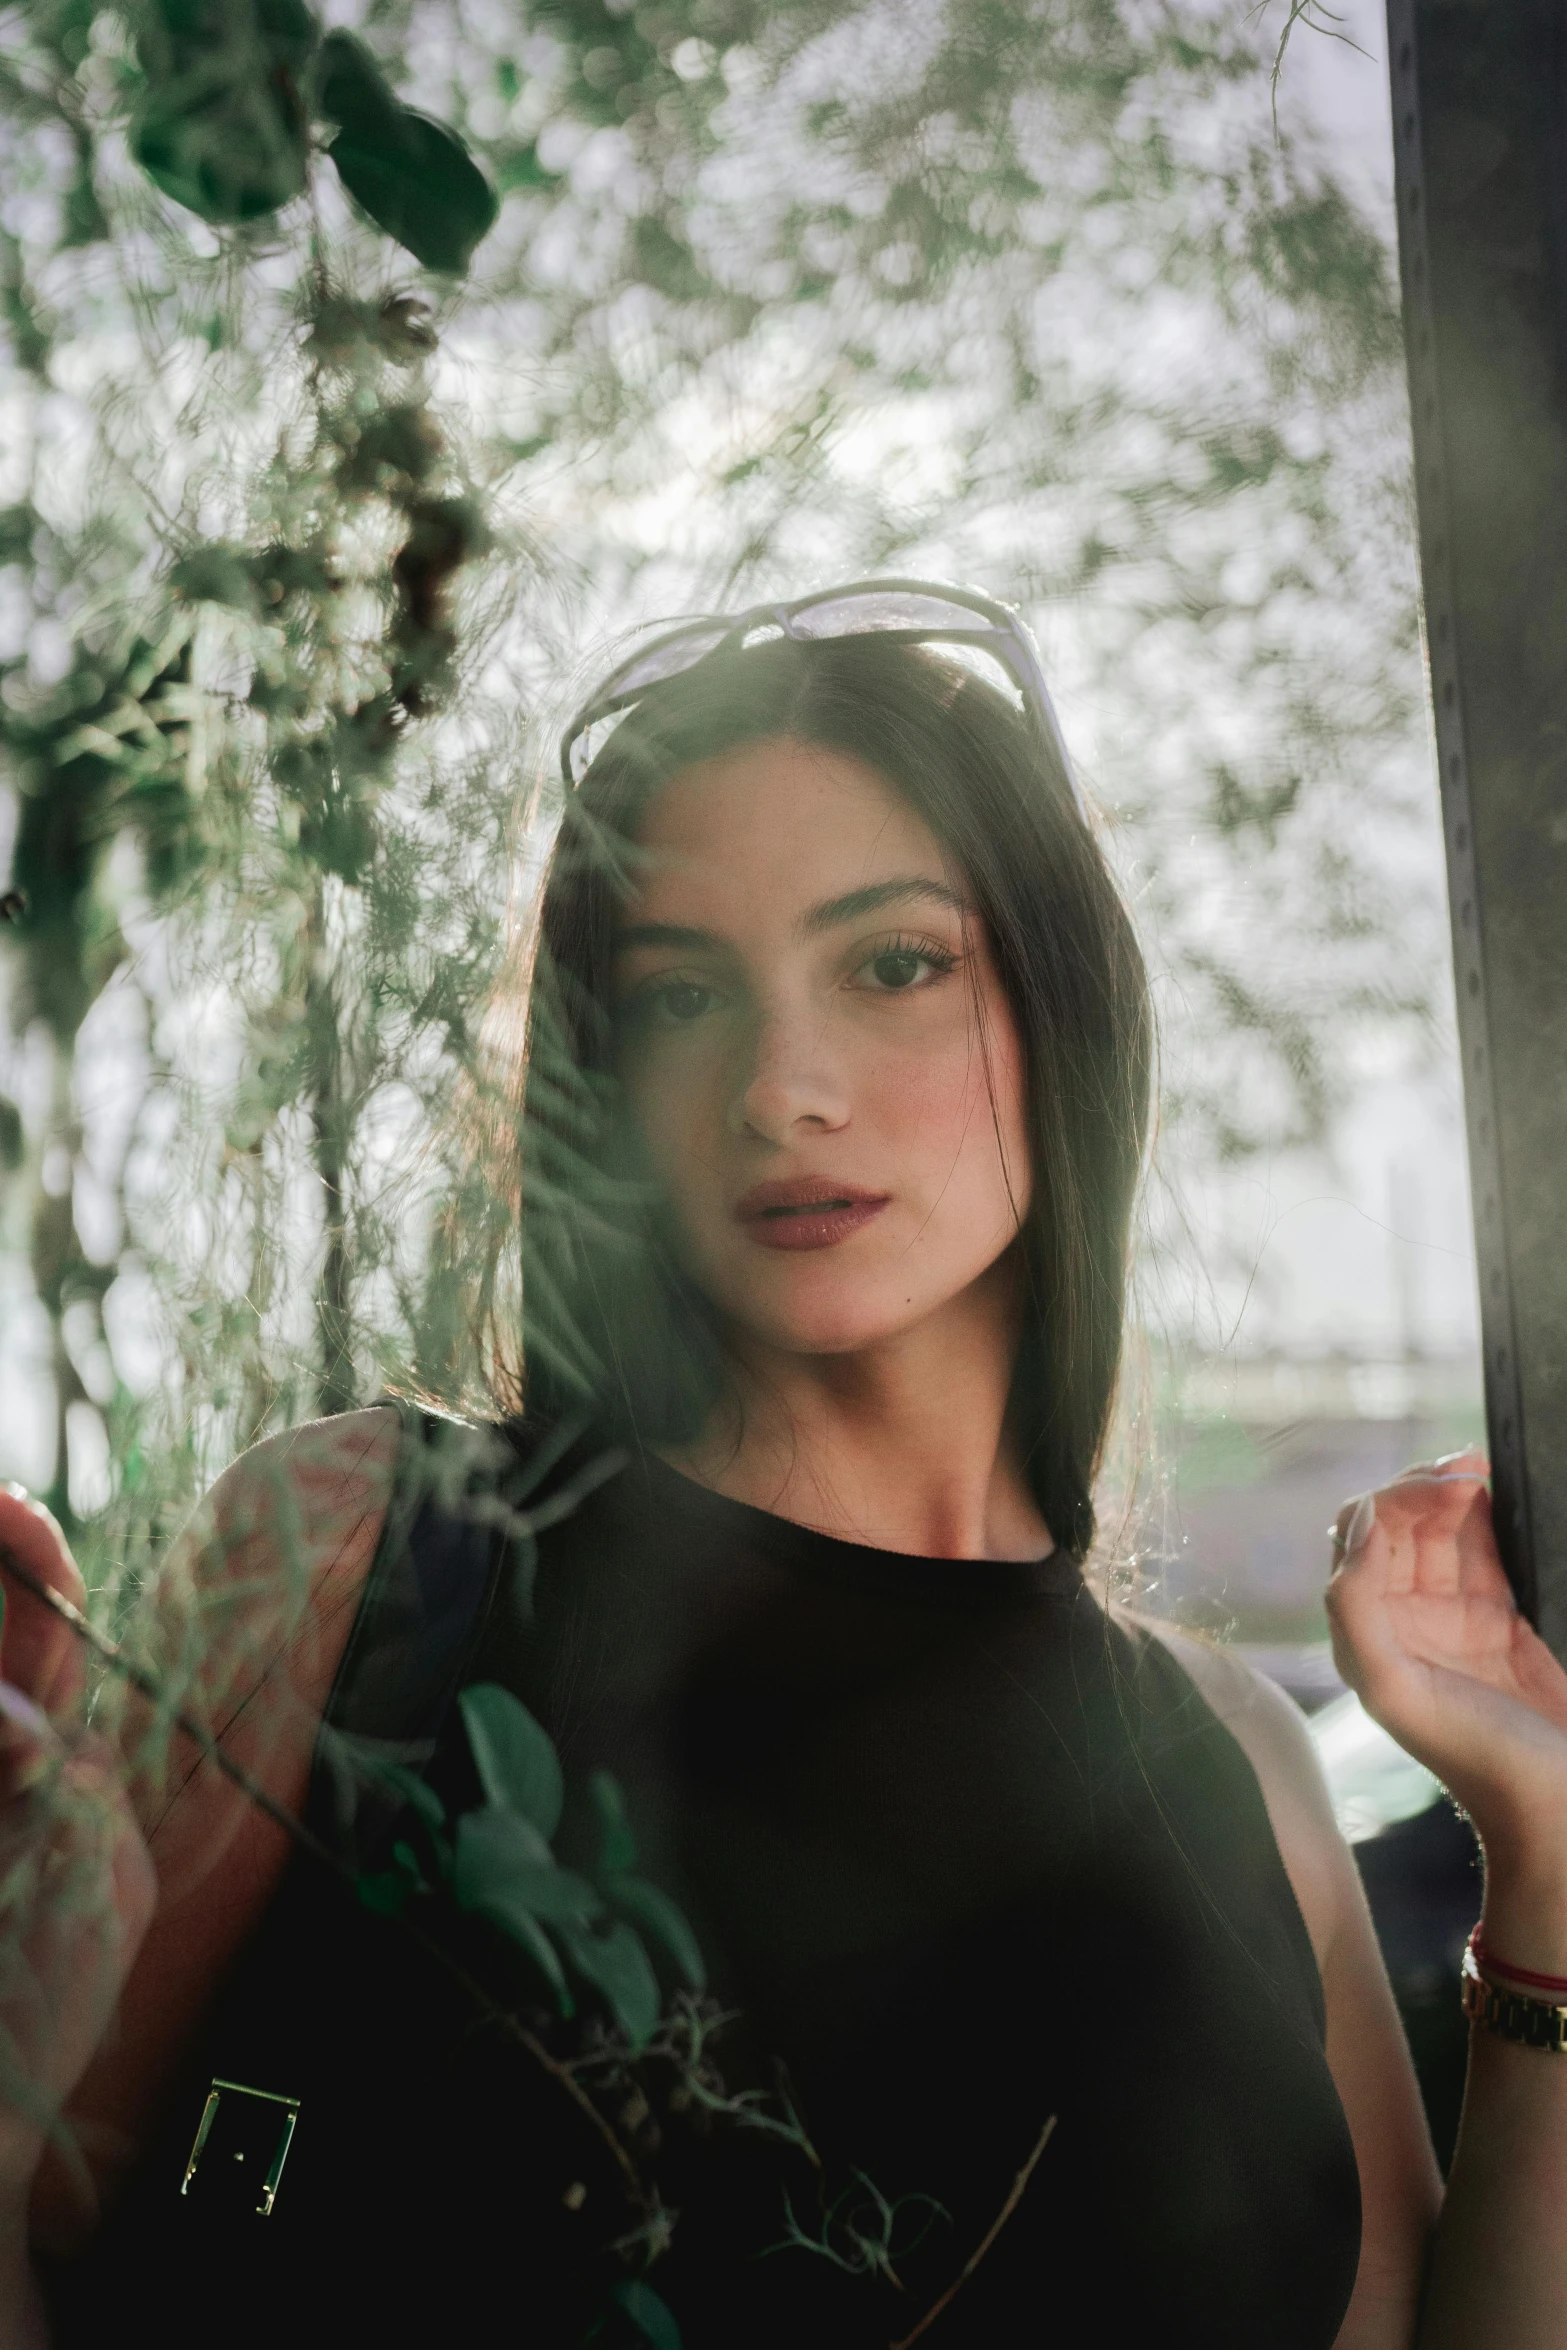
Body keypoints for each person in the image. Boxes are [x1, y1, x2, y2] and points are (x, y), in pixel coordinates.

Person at [0, 580, 1565, 2350]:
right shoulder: (377, 1549)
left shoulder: (1241, 1763)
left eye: (893, 963)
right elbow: (49, 2239)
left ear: (1061, 1007)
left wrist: (1548, 1869)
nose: (780, 1085)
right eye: (680, 993)